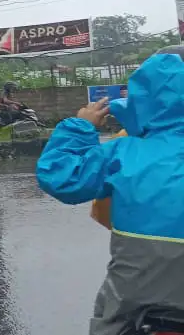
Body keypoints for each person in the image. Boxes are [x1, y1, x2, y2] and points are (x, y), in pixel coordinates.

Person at [36, 49, 184, 335]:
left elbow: (61, 177)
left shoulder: (123, 150)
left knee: (115, 320)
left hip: (139, 301)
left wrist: (80, 127)